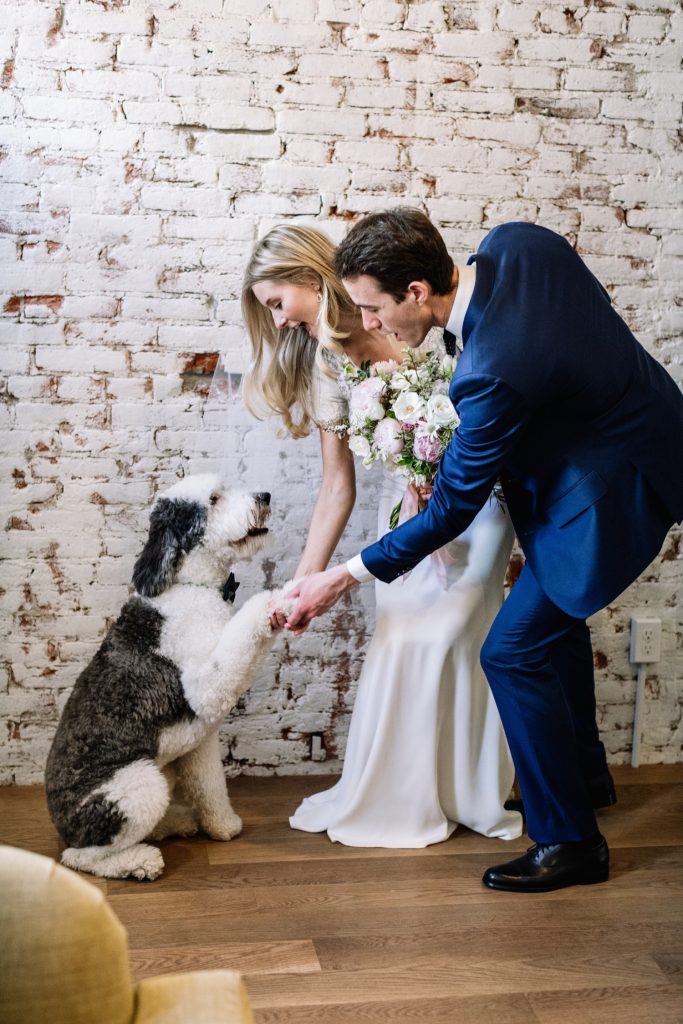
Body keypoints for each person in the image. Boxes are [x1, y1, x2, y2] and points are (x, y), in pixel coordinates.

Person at [284, 208, 683, 891]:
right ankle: (583, 780)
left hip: (613, 493)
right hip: (645, 432)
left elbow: (449, 511)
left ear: (416, 291)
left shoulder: (490, 370)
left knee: (510, 650)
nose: (370, 324)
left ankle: (570, 843)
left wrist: (340, 577)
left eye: (373, 308)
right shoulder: (516, 243)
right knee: (553, 632)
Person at [242, 223, 522, 847]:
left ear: (312, 281)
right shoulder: (326, 369)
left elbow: (491, 406)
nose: (280, 322)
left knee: (457, 636)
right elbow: (337, 487)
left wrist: (447, 480)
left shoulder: (411, 307)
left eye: (277, 304)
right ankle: (405, 793)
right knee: (404, 636)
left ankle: (470, 792)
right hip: (405, 514)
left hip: (475, 505)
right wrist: (303, 585)